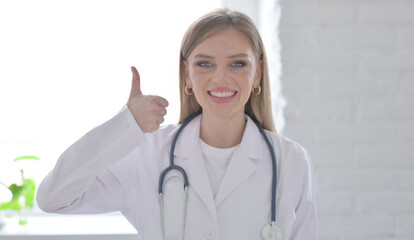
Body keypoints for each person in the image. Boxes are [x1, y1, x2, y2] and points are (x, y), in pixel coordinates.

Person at [36, 8, 317, 240]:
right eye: (205, 64)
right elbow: (53, 198)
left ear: (257, 75)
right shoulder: (147, 154)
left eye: (238, 64)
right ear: (187, 75)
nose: (220, 78)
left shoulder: (290, 161)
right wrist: (124, 126)